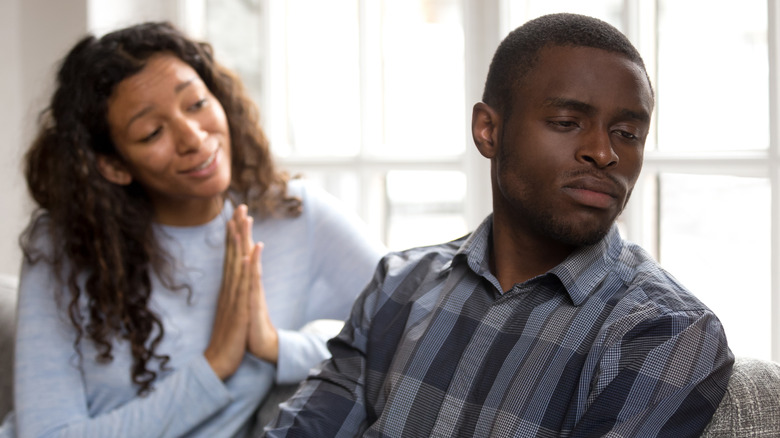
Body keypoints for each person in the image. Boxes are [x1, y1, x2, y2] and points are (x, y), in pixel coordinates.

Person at [263, 13, 734, 438]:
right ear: (488, 130)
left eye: (627, 134)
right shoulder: (398, 285)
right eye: (568, 121)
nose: (604, 152)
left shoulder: (666, 334)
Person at [0, 21, 385, 438]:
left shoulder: (294, 215)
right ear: (113, 165)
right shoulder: (62, 243)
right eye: (152, 132)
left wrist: (276, 347)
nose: (194, 137)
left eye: (197, 103)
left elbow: (414, 324)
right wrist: (215, 363)